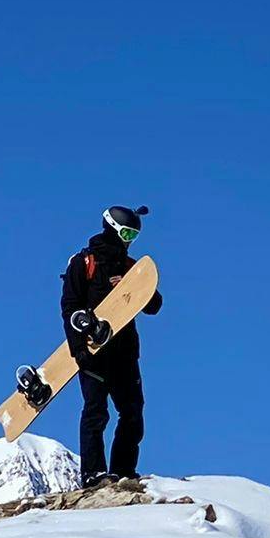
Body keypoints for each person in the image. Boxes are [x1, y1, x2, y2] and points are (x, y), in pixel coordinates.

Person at [61, 204, 162, 486]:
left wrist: (133, 288)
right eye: (127, 233)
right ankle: (93, 474)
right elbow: (69, 307)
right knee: (96, 411)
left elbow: (154, 305)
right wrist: (78, 349)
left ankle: (123, 471)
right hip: (94, 352)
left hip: (125, 353)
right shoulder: (83, 263)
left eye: (134, 235)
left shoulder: (132, 268)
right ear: (113, 227)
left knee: (132, 412)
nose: (129, 240)